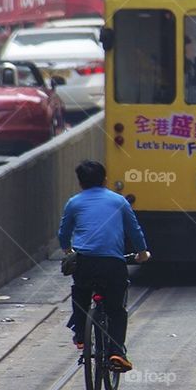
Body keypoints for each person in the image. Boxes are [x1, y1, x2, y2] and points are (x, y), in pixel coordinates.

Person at [58, 159, 151, 371]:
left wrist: (67, 250)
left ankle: (81, 334)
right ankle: (117, 352)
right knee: (116, 309)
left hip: (85, 263)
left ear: (80, 183)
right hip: (112, 264)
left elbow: (63, 233)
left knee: (80, 292)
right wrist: (142, 253)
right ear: (105, 179)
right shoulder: (119, 201)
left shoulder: (74, 203)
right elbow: (134, 231)